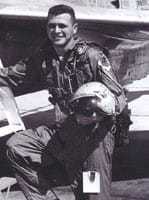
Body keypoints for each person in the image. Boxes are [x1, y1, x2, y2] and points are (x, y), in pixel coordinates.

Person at [6, 4, 129, 200]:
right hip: (65, 132)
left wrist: (100, 112)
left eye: (62, 26)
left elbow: (119, 96)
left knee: (92, 192)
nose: (56, 31)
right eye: (51, 26)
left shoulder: (92, 56)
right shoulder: (44, 57)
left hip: (93, 140)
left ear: (74, 29)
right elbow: (11, 75)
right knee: (18, 147)